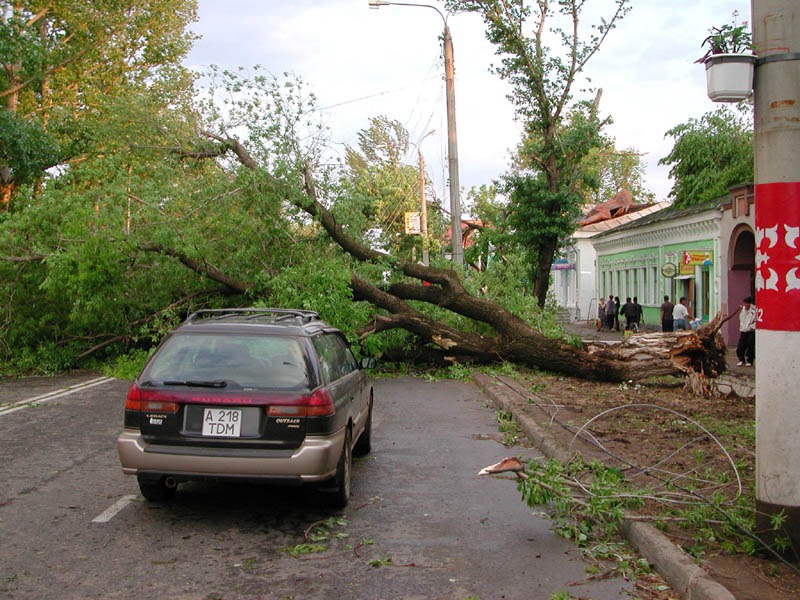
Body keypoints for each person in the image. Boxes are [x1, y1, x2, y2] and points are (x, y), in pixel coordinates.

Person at [736, 296, 756, 366]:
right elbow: (741, 319)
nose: (746, 305)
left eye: (747, 303)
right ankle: (741, 359)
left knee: (750, 346)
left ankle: (750, 361)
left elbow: (756, 321)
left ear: (750, 304)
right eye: (745, 303)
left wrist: (751, 327)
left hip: (751, 331)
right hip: (743, 330)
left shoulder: (754, 310)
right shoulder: (743, 310)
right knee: (741, 346)